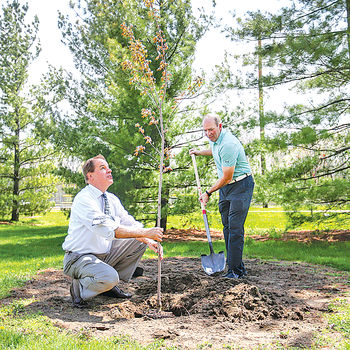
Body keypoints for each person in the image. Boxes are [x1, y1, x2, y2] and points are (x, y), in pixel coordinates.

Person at [62, 154, 163, 307]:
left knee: (139, 241)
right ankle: (80, 289)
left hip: (104, 254)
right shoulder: (84, 199)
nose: (109, 170)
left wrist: (148, 240)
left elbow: (128, 222)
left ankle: (107, 286)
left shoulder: (111, 199)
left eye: (108, 167)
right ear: (90, 176)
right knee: (110, 277)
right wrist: (145, 232)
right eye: (103, 168)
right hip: (78, 258)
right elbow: (109, 230)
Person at [189, 115, 254, 279]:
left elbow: (227, 177)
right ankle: (237, 266)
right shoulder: (216, 140)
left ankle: (235, 271)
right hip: (226, 188)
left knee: (235, 229)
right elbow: (214, 150)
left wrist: (208, 193)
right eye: (205, 130)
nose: (208, 133)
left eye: (211, 129)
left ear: (220, 126)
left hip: (240, 185)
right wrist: (199, 152)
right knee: (227, 226)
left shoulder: (228, 144)